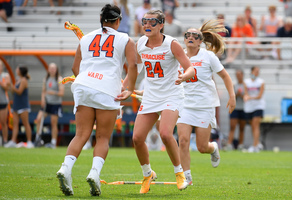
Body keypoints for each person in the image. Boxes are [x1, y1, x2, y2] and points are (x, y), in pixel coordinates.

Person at [56, 4, 137, 196]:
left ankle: (65, 168)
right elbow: (133, 65)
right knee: (102, 137)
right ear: (118, 20)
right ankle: (94, 173)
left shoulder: (86, 38)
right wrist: (129, 89)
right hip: (107, 88)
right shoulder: (125, 39)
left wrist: (88, 81)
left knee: (81, 134)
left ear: (101, 19)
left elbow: (76, 68)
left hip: (83, 85)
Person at [133, 10, 195, 194]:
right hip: (151, 96)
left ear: (161, 25)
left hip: (171, 95)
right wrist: (127, 86)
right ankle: (147, 173)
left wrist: (184, 77)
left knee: (166, 133)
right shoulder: (140, 44)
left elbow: (190, 68)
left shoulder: (171, 44)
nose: (147, 25)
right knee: (137, 138)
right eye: (145, 21)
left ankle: (179, 172)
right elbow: (135, 69)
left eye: (152, 22)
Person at [176, 20, 236, 185]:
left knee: (202, 147)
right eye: (187, 35)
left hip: (204, 105)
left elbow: (225, 76)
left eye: (195, 36)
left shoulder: (208, 56)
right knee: (183, 140)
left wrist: (232, 96)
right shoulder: (178, 55)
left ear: (200, 41)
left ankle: (213, 148)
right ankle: (186, 177)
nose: (190, 37)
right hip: (184, 104)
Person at [34, 63, 64, 149]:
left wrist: (53, 92)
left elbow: (61, 93)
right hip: (47, 103)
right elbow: (43, 91)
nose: (52, 70)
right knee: (39, 119)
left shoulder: (59, 79)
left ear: (56, 69)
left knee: (53, 123)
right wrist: (42, 99)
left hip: (55, 104)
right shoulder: (46, 79)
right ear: (48, 69)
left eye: (54, 68)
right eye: (51, 68)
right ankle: (38, 138)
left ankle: (53, 142)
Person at [4, 65, 34, 148]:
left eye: (17, 69)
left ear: (21, 71)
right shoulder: (18, 80)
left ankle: (29, 142)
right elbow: (14, 92)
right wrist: (9, 86)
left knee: (25, 123)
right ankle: (13, 141)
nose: (16, 70)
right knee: (15, 124)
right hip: (16, 104)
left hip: (23, 105)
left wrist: (11, 85)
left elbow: (19, 92)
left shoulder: (24, 80)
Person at [244, 66, 265, 153]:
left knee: (256, 125)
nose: (257, 73)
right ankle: (258, 143)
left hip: (258, 106)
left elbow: (260, 96)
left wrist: (249, 97)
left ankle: (255, 146)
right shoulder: (246, 82)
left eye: (258, 71)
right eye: (256, 71)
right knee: (252, 126)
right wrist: (247, 97)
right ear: (252, 71)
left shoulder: (261, 82)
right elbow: (246, 94)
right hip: (249, 107)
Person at [226, 69, 246, 151]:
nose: (238, 76)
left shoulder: (245, 86)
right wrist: (236, 95)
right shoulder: (234, 85)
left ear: (242, 75)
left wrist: (242, 95)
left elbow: (247, 97)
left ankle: (240, 145)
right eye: (237, 75)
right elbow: (231, 97)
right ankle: (229, 144)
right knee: (232, 127)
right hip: (235, 108)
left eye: (240, 75)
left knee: (242, 128)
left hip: (243, 109)